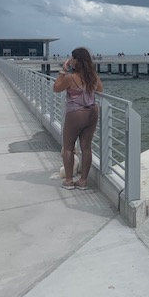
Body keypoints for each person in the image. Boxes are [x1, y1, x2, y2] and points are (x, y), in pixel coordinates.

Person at [53, 47, 103, 190]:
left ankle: (69, 181)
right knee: (86, 148)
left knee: (68, 147)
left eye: (72, 58)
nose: (71, 60)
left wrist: (63, 70)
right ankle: (83, 181)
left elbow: (56, 88)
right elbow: (100, 89)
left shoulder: (71, 78)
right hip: (92, 112)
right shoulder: (93, 76)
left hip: (76, 113)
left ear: (76, 60)